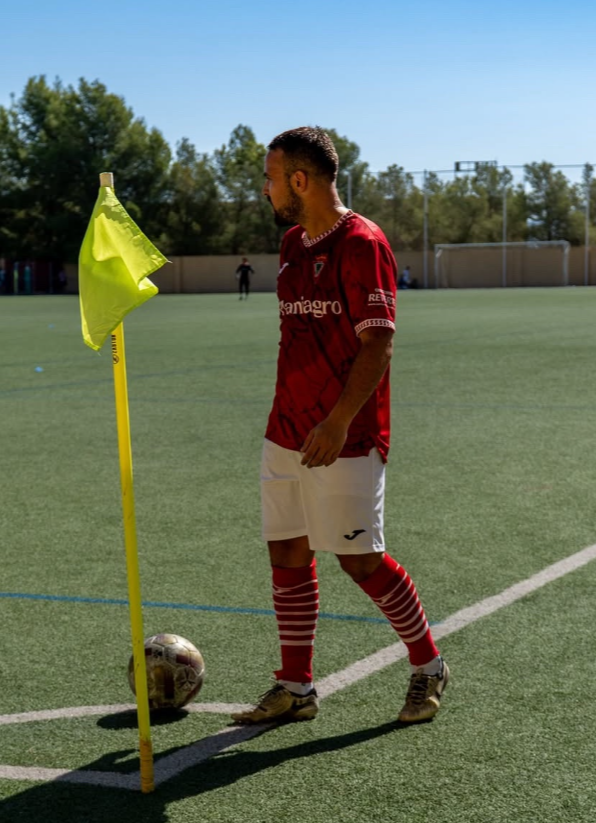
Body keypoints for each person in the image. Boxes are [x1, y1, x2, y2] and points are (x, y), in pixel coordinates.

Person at [232, 127, 448, 726]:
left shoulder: (362, 243)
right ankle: (296, 688)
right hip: (285, 431)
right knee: (288, 552)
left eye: (271, 178)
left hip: (344, 435)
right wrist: (290, 421)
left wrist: (336, 421)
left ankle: (429, 667)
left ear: (300, 181)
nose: (266, 189)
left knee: (361, 560)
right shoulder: (293, 247)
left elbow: (378, 345)